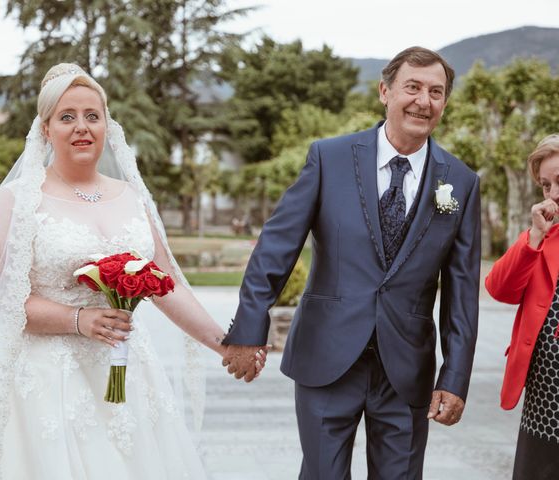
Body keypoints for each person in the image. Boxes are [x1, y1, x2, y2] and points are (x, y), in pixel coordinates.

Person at [0, 63, 265, 480]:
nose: (81, 127)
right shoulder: (17, 201)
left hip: (129, 379)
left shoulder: (132, 197)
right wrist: (77, 319)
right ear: (46, 129)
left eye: (92, 115)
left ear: (108, 124)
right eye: (66, 117)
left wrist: (228, 345)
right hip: (49, 385)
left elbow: (165, 285)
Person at [221, 46, 481, 478]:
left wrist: (454, 376)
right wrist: (249, 329)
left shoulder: (461, 182)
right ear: (384, 91)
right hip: (327, 358)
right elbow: (277, 246)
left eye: (436, 92)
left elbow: (462, 292)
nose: (423, 101)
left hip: (406, 370)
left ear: (445, 103)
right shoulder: (329, 157)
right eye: (412, 87)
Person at [485, 134, 559, 480]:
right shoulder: (542, 237)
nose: (553, 193)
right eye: (546, 185)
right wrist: (532, 238)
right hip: (545, 400)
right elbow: (499, 288)